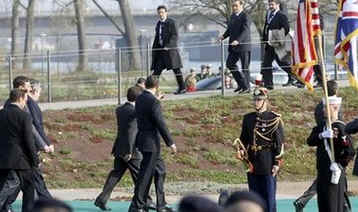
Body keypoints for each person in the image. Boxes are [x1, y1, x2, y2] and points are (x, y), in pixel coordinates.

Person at [94, 87, 155, 211]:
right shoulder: (134, 112)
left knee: (116, 174)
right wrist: (130, 151)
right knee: (140, 177)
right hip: (131, 151)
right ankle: (147, 201)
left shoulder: (120, 110)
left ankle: (102, 199)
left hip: (119, 148)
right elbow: (131, 132)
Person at [294, 79, 348, 212]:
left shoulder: (324, 104)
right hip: (330, 146)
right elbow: (333, 124)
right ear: (335, 90)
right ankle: (304, 199)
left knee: (337, 179)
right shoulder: (329, 105)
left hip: (332, 146)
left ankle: (345, 206)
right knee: (330, 179)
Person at [128, 76, 177, 212]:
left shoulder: (140, 98)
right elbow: (160, 123)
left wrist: (156, 100)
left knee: (160, 171)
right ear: (157, 86)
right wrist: (170, 143)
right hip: (151, 144)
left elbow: (148, 112)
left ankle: (160, 204)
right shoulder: (153, 102)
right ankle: (136, 206)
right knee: (145, 175)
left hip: (143, 140)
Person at [238, 87, 284, 212]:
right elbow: (243, 139)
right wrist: (241, 150)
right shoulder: (248, 118)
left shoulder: (274, 119)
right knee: (254, 198)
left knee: (269, 198)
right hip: (252, 162)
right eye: (254, 99)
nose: (255, 102)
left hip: (267, 161)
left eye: (259, 100)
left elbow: (279, 144)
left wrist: (276, 163)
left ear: (265, 101)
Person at [306, 96, 354, 212]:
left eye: (326, 107)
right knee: (323, 205)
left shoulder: (340, 127)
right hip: (322, 172)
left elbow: (350, 151)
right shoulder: (322, 126)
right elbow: (310, 141)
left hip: (334, 174)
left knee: (333, 206)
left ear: (335, 108)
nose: (323, 110)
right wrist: (321, 135)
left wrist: (340, 165)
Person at [0, 89, 39, 212]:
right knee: (28, 189)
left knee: (4, 186)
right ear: (21, 98)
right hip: (21, 160)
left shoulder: (1, 114)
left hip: (2, 159)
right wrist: (35, 159)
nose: (26, 102)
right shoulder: (24, 116)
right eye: (26, 99)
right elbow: (29, 140)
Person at [151, 5, 186, 95]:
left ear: (166, 13)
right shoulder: (158, 24)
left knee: (176, 70)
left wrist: (168, 46)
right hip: (161, 52)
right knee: (156, 72)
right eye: (159, 12)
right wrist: (154, 49)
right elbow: (157, 37)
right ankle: (152, 90)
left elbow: (175, 36)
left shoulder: (172, 22)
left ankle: (182, 88)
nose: (161, 14)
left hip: (170, 52)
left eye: (162, 12)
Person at [218, 0, 251, 93]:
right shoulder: (232, 16)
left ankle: (247, 88)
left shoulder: (245, 16)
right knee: (230, 64)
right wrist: (223, 36)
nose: (234, 8)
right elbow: (229, 30)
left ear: (241, 5)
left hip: (243, 46)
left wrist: (238, 40)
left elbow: (245, 31)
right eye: (233, 6)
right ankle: (241, 85)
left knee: (245, 67)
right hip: (233, 46)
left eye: (236, 6)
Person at [261, 0, 295, 89]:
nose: (270, 6)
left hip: (278, 43)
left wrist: (278, 37)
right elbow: (266, 27)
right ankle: (269, 85)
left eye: (272, 4)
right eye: (269, 4)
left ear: (277, 5)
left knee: (282, 63)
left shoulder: (281, 16)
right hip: (269, 44)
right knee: (266, 64)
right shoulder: (268, 14)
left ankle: (297, 77)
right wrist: (264, 39)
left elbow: (286, 28)